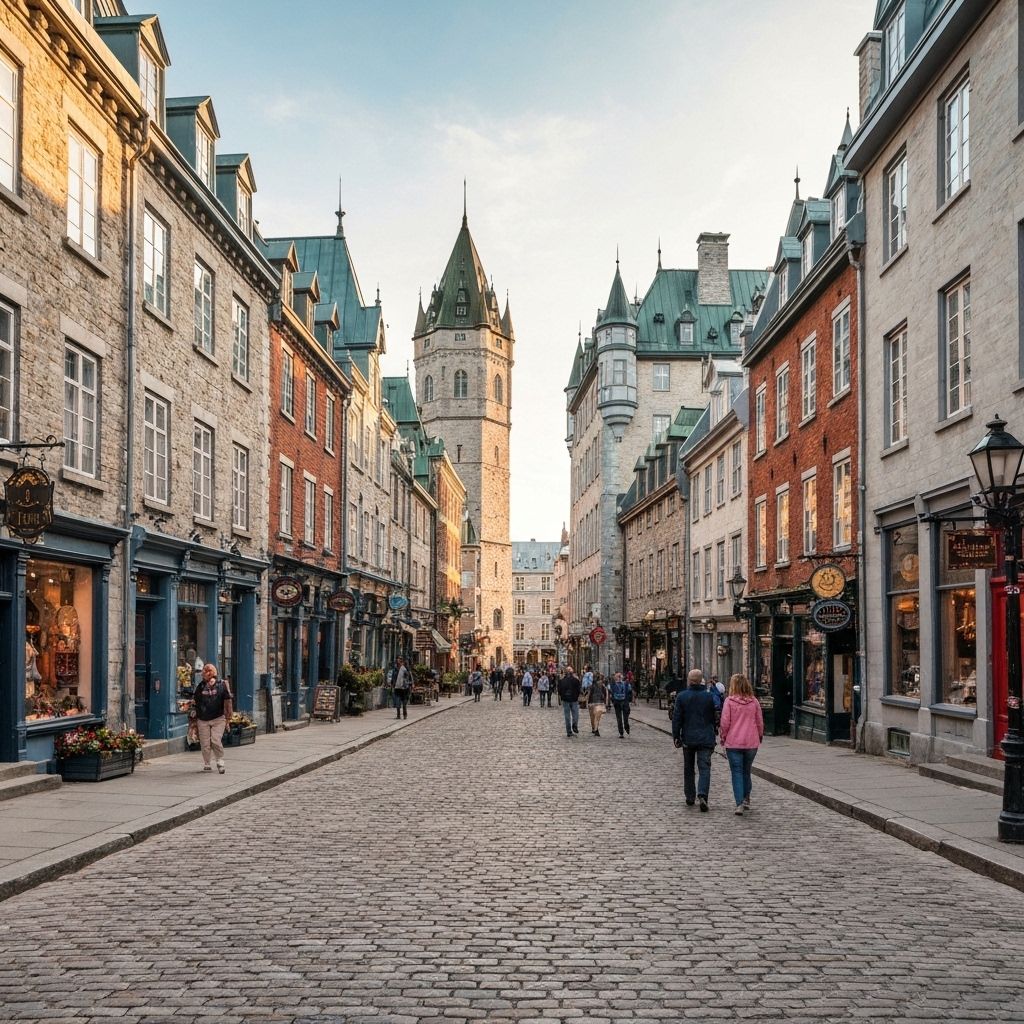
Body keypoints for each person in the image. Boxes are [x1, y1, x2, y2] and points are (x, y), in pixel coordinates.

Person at [672, 668, 719, 811]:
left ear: (689, 680)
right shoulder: (709, 696)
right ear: (701, 681)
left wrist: (676, 736)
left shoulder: (682, 696)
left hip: (688, 738)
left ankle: (690, 796)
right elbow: (714, 716)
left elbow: (677, 718)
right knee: (704, 768)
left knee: (689, 768)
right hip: (705, 737)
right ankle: (703, 794)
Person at [719, 673, 764, 815]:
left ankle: (739, 803)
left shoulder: (729, 701)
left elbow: (725, 723)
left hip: (733, 742)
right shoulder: (754, 701)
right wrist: (760, 735)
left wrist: (723, 737)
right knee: (746, 771)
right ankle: (746, 799)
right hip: (751, 742)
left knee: (737, 772)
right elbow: (759, 722)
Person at [193, 662, 233, 774]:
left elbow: (228, 702)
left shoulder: (222, 685)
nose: (207, 677)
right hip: (203, 719)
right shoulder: (200, 687)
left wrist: (228, 719)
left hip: (218, 718)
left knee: (215, 740)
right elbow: (196, 702)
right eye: (205, 673)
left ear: (214, 675)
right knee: (205, 743)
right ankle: (207, 763)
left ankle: (220, 760)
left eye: (209, 674)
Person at [557, 666, 582, 737]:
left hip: (565, 700)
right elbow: (578, 690)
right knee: (575, 714)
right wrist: (576, 696)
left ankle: (569, 731)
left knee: (567, 716)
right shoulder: (576, 680)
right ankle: (575, 725)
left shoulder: (561, 681)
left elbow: (559, 690)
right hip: (574, 699)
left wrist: (562, 697)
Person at [609, 672, 632, 738]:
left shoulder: (625, 683)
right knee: (620, 718)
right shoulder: (615, 684)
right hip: (619, 702)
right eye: (618, 676)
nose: (619, 677)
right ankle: (622, 731)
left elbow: (629, 691)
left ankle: (624, 729)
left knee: (623, 718)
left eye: (619, 676)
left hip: (623, 702)